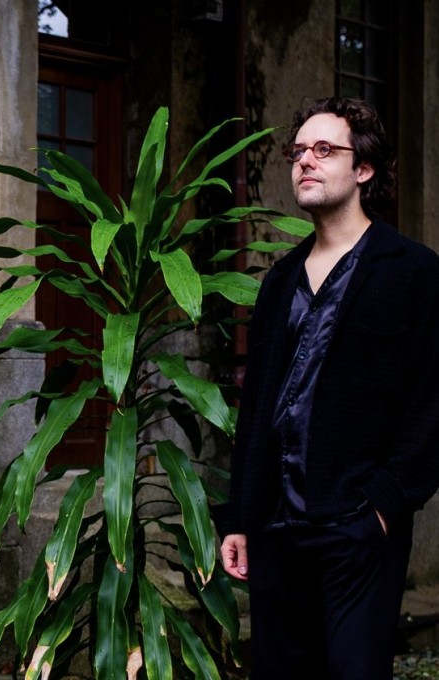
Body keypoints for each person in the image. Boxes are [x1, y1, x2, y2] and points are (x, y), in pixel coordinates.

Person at [218, 97, 439, 678]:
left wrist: (387, 504)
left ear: (363, 169)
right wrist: (240, 516)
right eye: (298, 153)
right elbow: (257, 407)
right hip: (275, 529)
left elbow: (433, 398)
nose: (305, 162)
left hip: (357, 527)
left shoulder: (413, 271)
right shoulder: (279, 281)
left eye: (324, 150)